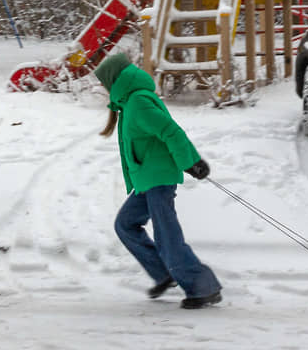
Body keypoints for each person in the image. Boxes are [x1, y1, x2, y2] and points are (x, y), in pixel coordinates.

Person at [94, 53, 223, 309]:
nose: (102, 88)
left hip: (158, 179)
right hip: (147, 179)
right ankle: (165, 273)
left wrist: (191, 162)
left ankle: (202, 287)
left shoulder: (139, 102)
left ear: (114, 80)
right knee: (125, 225)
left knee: (167, 236)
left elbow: (171, 131)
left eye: (103, 83)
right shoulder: (130, 101)